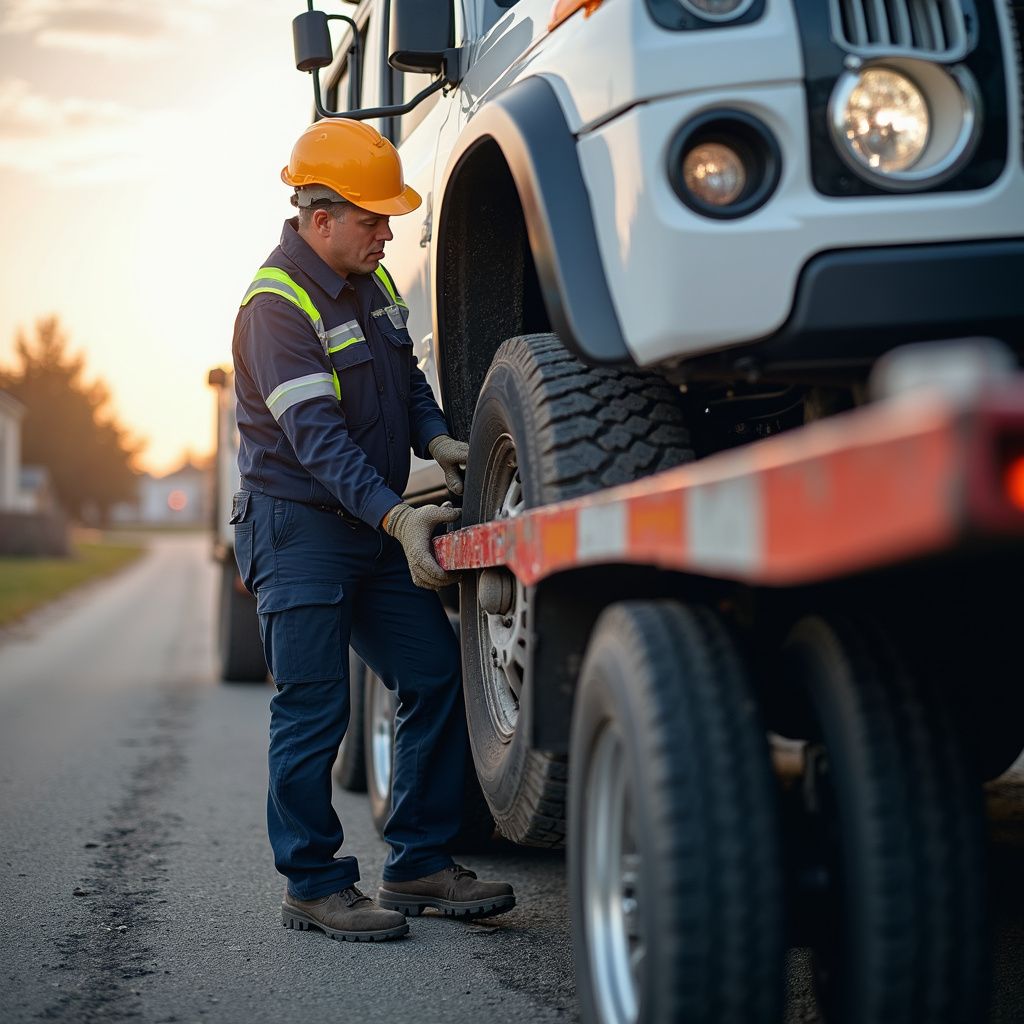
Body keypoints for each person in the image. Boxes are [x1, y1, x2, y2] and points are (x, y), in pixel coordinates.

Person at [230, 118, 514, 942]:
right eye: (372, 219)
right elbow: (317, 441)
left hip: (366, 524)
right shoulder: (276, 307)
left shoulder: (373, 283)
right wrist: (398, 517)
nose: (388, 233)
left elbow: (409, 377)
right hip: (299, 531)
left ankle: (418, 862)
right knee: (315, 710)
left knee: (432, 674)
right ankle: (313, 884)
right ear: (320, 218)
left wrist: (438, 438)